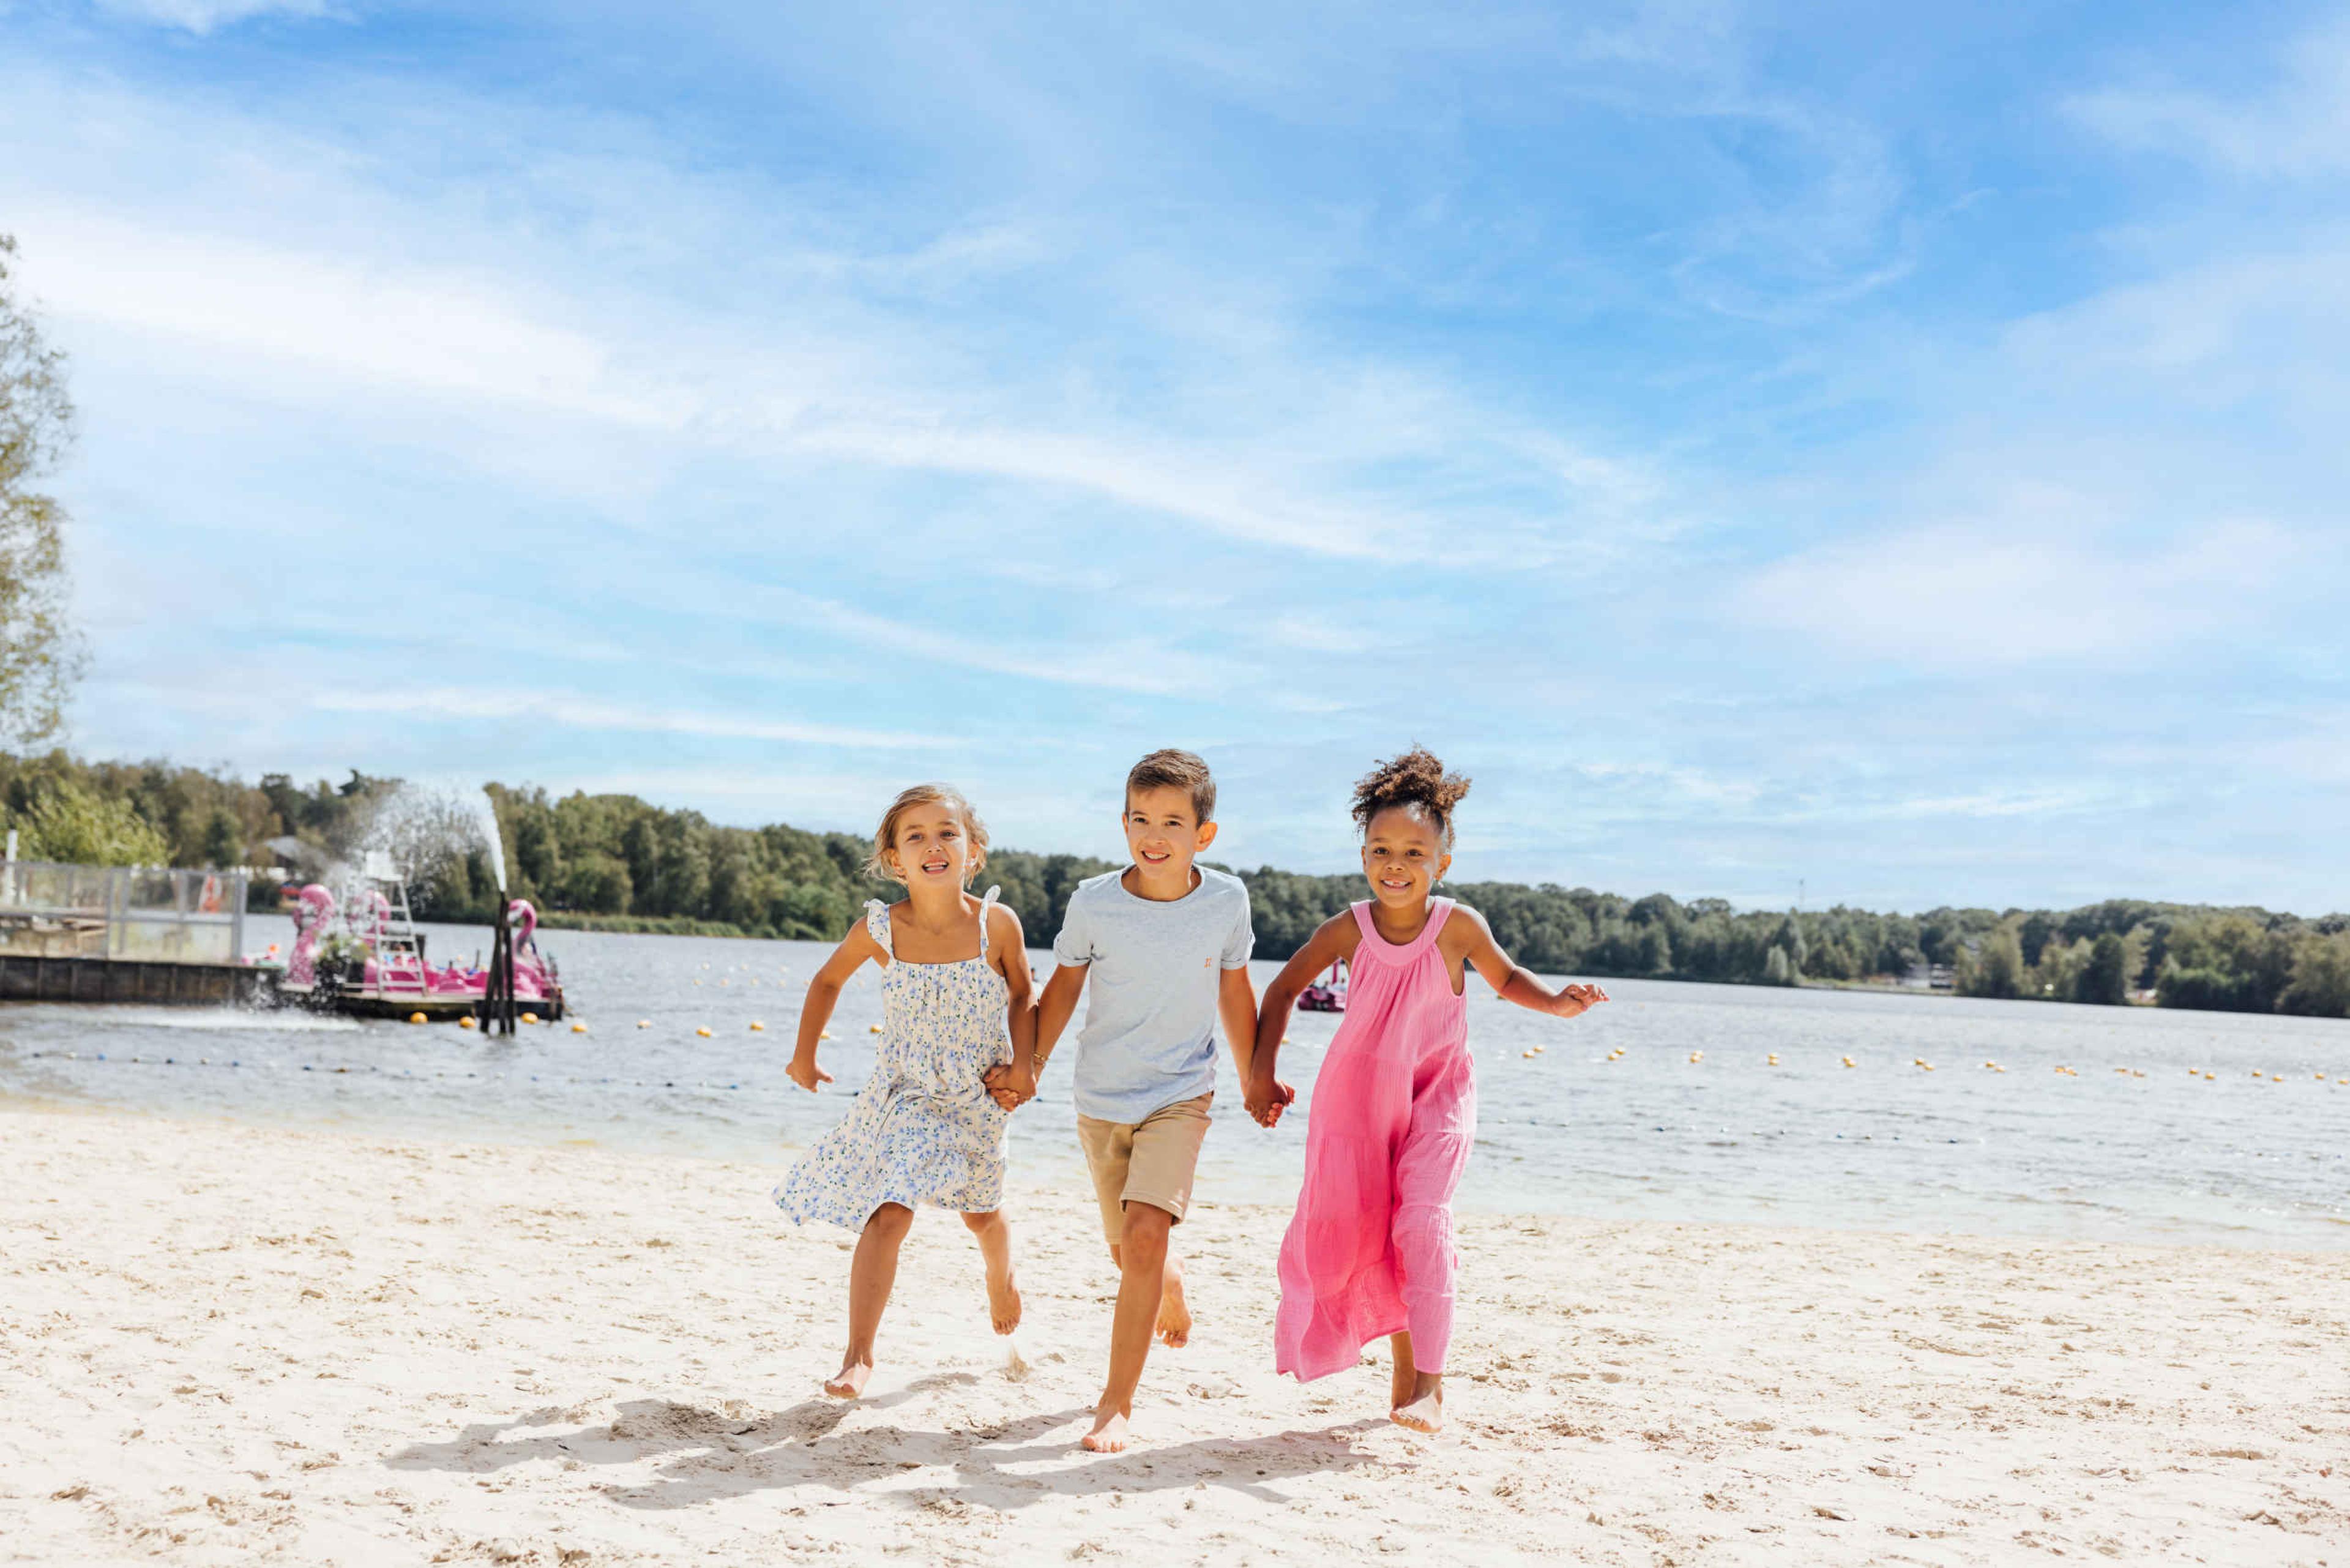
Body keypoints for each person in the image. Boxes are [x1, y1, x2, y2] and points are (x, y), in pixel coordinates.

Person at [1248, 748, 1608, 1435]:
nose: (1396, 863)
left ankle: (1430, 1385)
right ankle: (1399, 1383)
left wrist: (1559, 1004)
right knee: (1358, 1237)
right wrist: (1260, 1075)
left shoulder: (1457, 926)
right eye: (1381, 849)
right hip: (1356, 1103)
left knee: (1421, 1224)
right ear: (1362, 857)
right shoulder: (1349, 928)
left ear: (1441, 863)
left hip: (1439, 1097)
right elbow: (1284, 987)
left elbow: (1506, 980)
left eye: (1415, 851)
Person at [1016, 749, 1264, 1452]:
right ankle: (1169, 1284)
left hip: (1182, 1093)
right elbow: (1061, 990)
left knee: (1147, 1236)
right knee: (1132, 1255)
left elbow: (1235, 991)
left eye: (1173, 822)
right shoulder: (1094, 902)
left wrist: (1253, 1077)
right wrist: (1029, 1063)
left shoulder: (1226, 900)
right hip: (1101, 1099)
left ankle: (1115, 1405)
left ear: (1203, 835)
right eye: (1141, 819)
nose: (1154, 835)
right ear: (1123, 823)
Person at [774, 783, 1037, 1400]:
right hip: (907, 1091)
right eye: (914, 836)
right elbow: (826, 981)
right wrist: (803, 1055)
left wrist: (1026, 1068)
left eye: (947, 832)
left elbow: (1024, 994)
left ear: (974, 850)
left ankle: (1002, 1276)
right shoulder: (880, 929)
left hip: (979, 1093)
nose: (933, 845)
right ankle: (858, 1356)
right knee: (890, 1210)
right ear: (895, 860)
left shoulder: (996, 926)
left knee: (981, 1214)